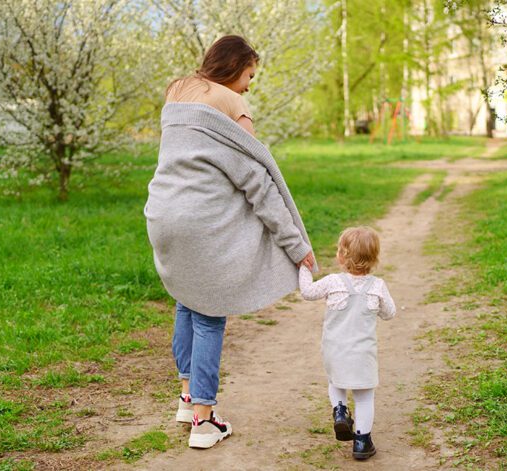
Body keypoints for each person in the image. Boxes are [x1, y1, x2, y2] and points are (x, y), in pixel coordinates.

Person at [145, 35, 316, 449]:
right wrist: (298, 247)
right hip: (201, 221)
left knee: (187, 299)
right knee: (210, 313)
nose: (250, 85)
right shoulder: (233, 105)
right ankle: (204, 420)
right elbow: (259, 184)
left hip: (162, 212)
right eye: (250, 75)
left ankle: (187, 397)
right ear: (236, 66)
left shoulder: (176, 90)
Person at [298, 226, 396, 460]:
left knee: (336, 382)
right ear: (374, 259)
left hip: (335, 350)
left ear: (342, 256)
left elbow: (307, 292)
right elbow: (390, 313)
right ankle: (362, 442)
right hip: (363, 354)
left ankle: (340, 412)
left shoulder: (333, 282)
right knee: (364, 397)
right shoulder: (377, 286)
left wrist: (304, 267)